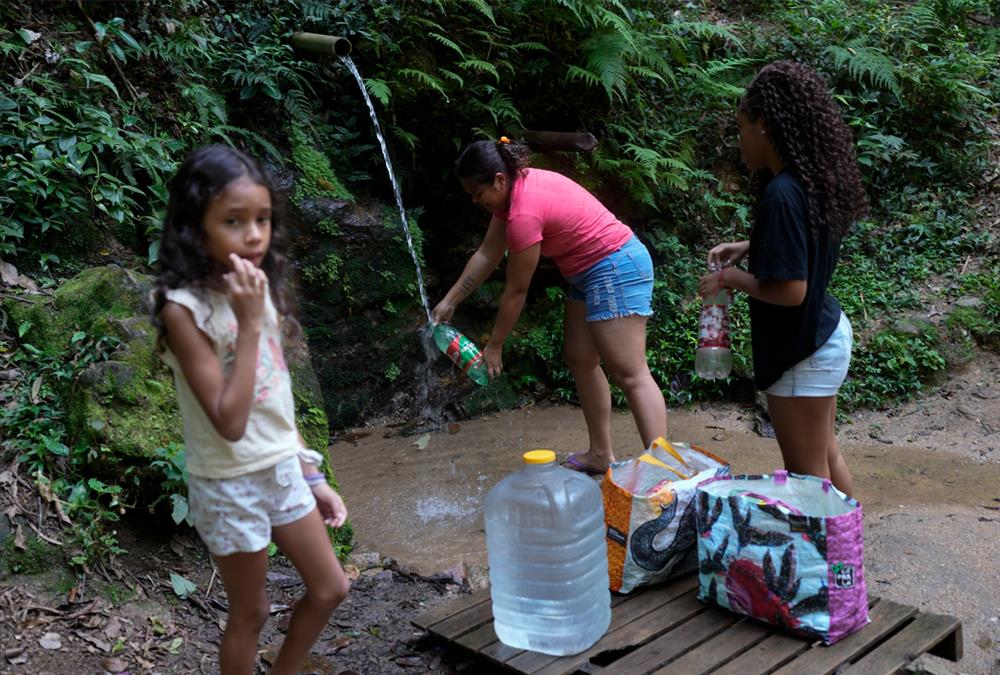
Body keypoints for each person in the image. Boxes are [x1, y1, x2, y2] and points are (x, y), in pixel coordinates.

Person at [151, 145, 349, 674]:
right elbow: (232, 422)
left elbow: (273, 400)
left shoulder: (256, 285)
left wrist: (310, 471)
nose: (254, 234)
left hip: (280, 468)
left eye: (262, 219)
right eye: (234, 221)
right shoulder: (183, 311)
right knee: (252, 610)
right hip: (228, 480)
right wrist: (246, 322)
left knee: (331, 587)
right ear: (196, 227)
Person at [431, 137, 667, 475]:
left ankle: (664, 470)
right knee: (580, 357)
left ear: (499, 179)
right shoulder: (510, 196)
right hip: (588, 271)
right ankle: (601, 454)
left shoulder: (524, 212)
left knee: (630, 372)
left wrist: (495, 345)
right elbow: (487, 253)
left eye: (477, 192)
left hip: (616, 266)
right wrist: (450, 301)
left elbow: (517, 290)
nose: (474, 200)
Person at [698, 61, 868, 496]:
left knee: (809, 479)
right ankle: (848, 551)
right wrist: (750, 247)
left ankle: (832, 561)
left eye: (742, 127)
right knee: (826, 457)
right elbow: (800, 246)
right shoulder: (808, 182)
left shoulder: (782, 194)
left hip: (802, 354)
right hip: (821, 337)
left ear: (766, 126)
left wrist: (732, 278)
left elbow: (792, 291)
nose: (739, 140)